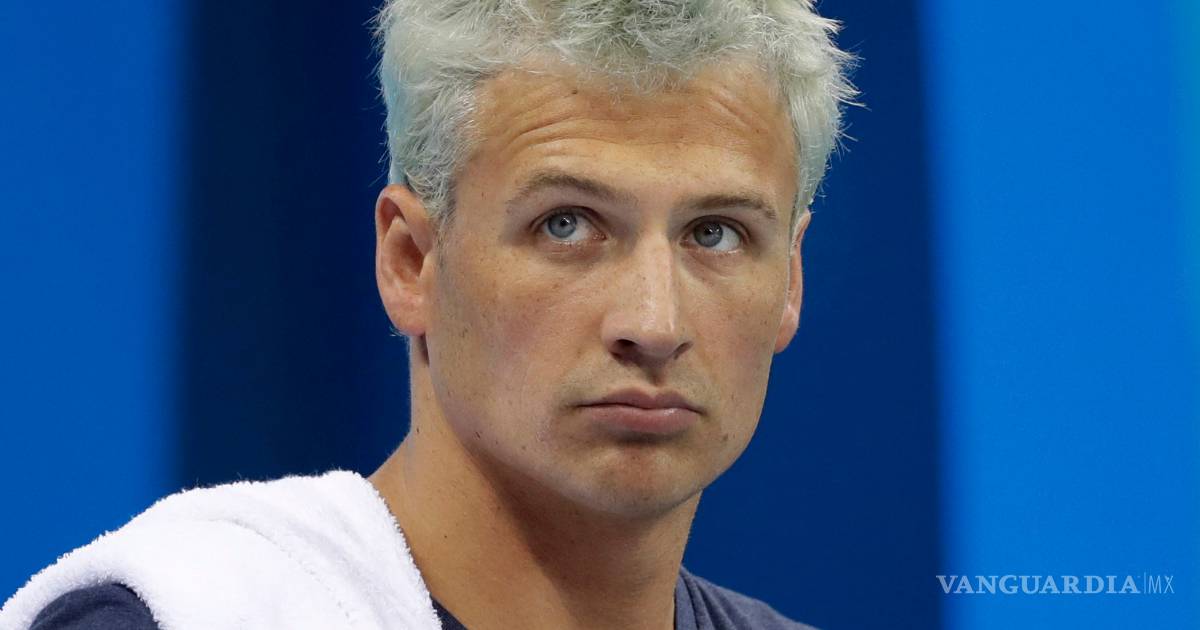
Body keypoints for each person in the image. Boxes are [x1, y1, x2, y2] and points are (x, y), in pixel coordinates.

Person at [1, 1, 853, 628]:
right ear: (410, 261)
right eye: (567, 224)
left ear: (790, 281)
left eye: (716, 233)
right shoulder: (195, 613)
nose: (654, 322)